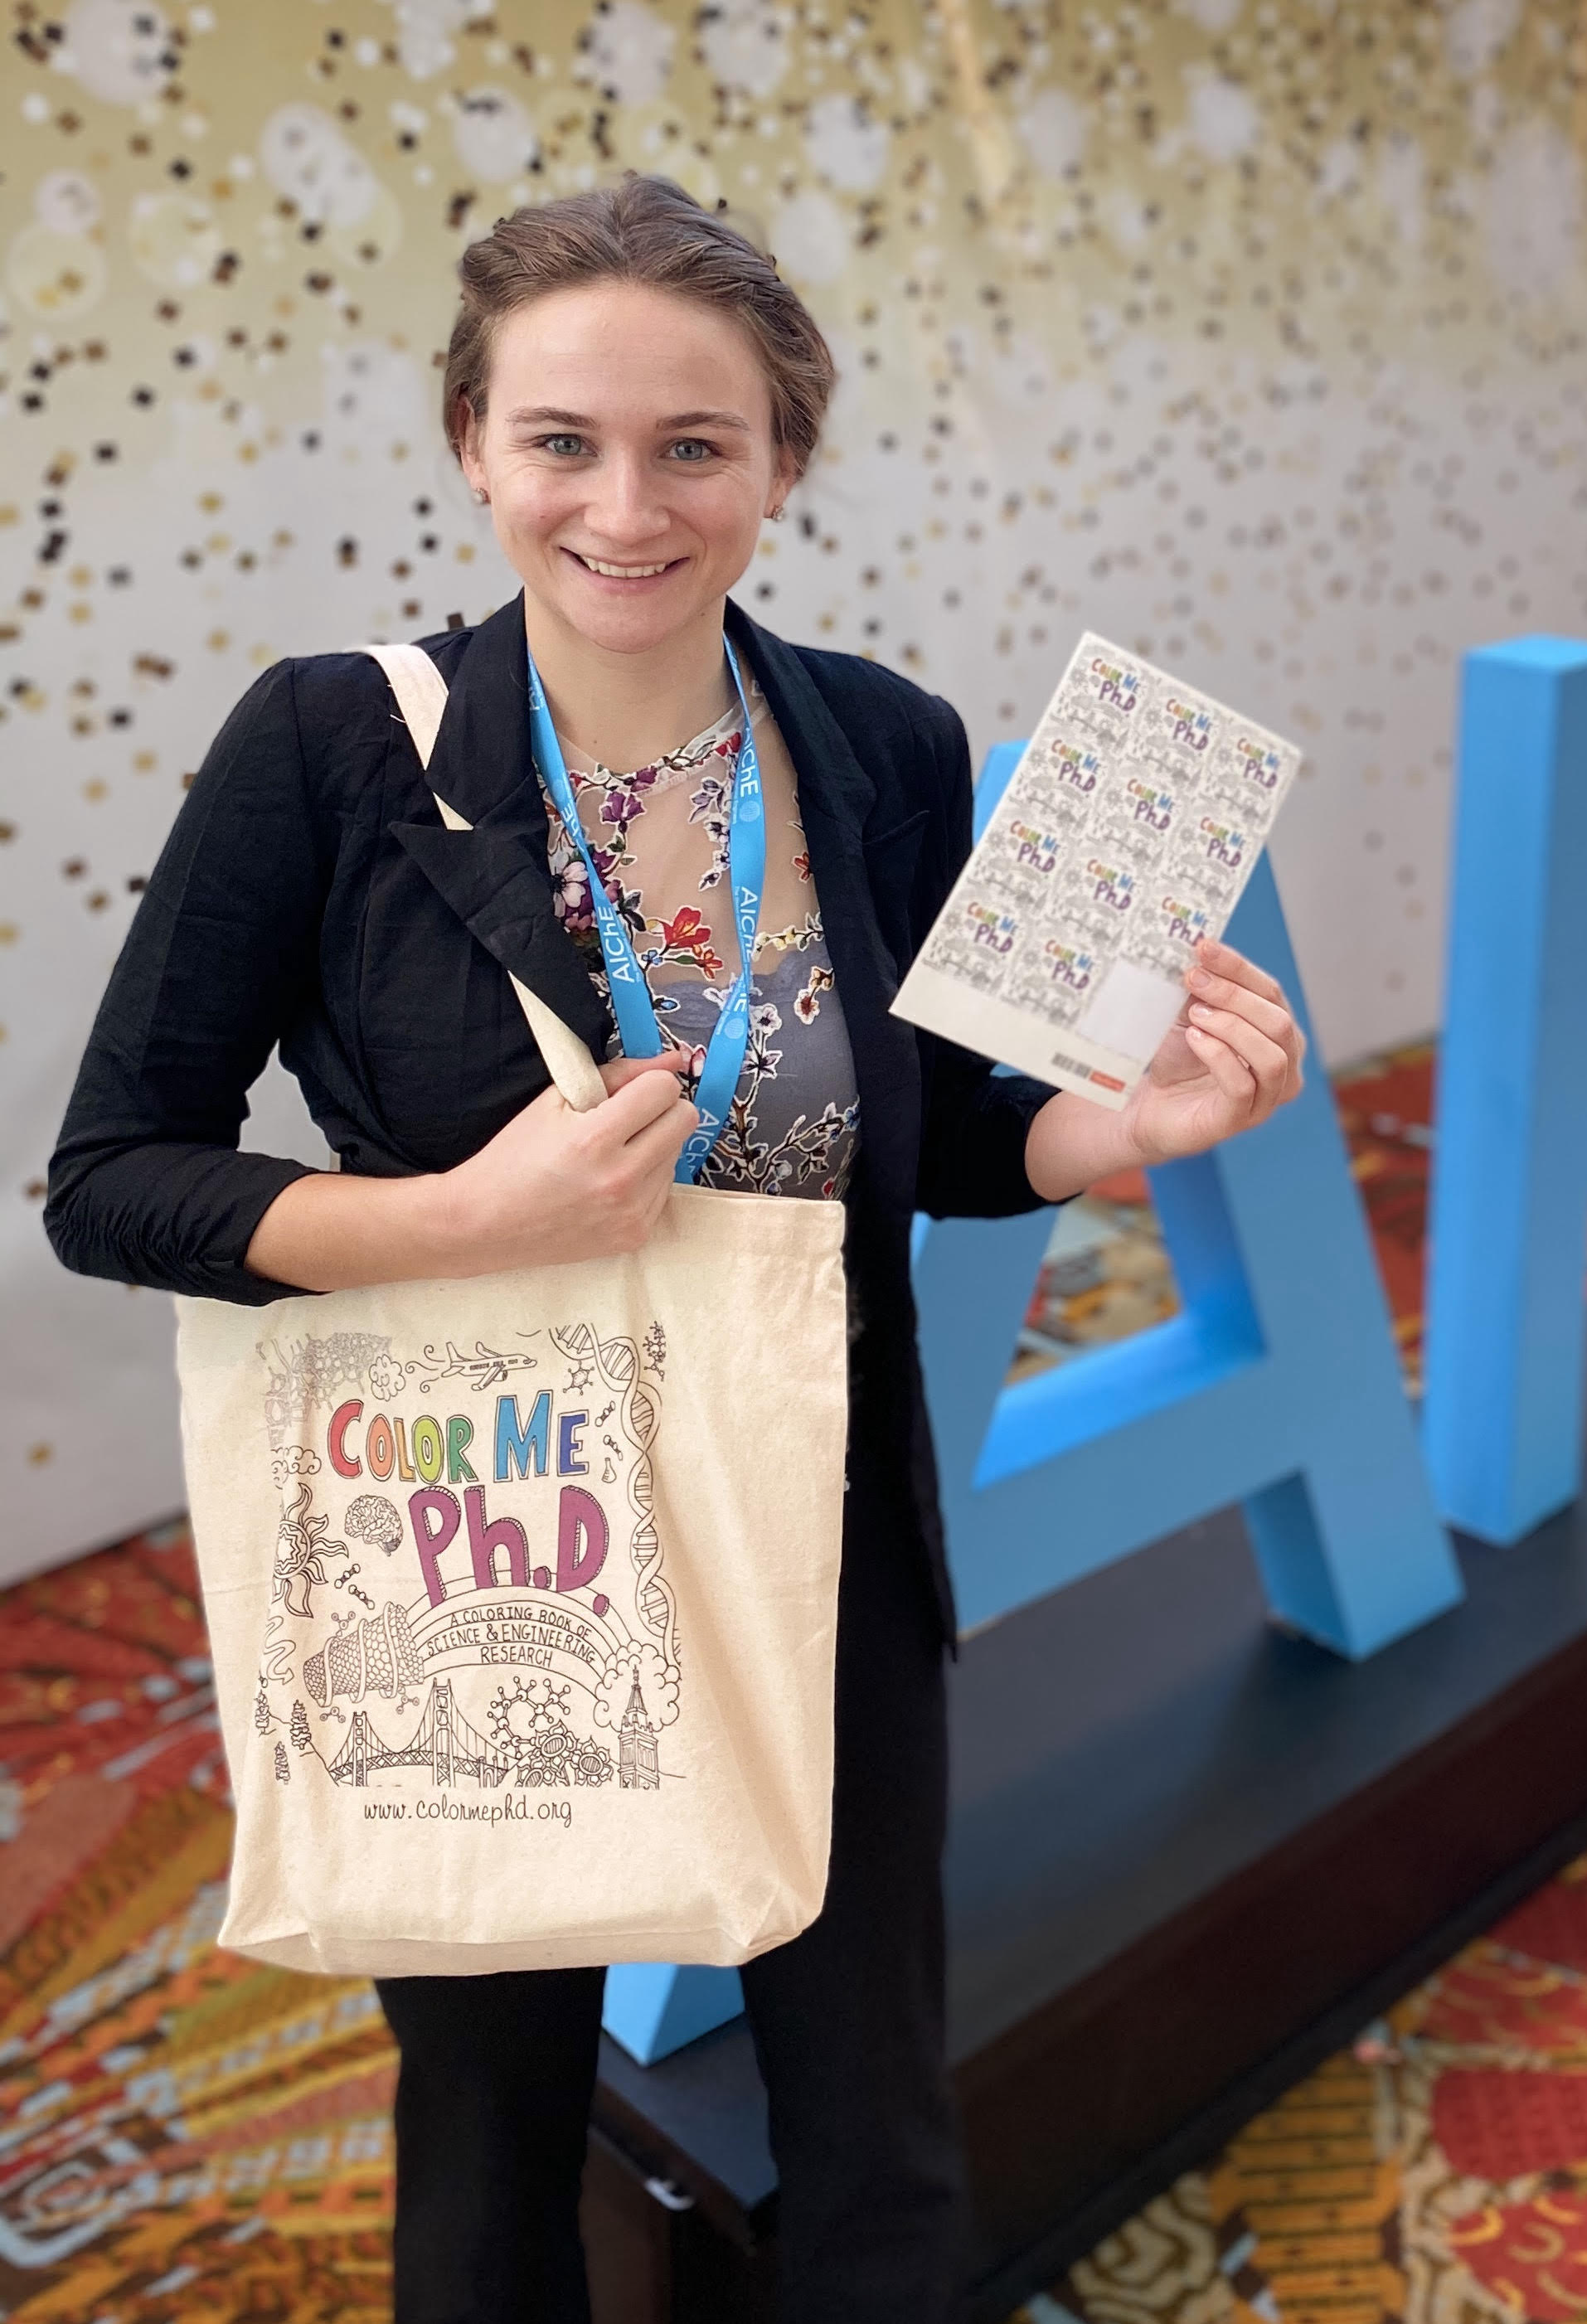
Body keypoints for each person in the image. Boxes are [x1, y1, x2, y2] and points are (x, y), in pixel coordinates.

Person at [43, 174, 1305, 2324]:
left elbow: (933, 1134)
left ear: (781, 462)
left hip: (814, 1513)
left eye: (694, 446)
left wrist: (1121, 1129)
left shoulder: (882, 746)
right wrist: (461, 1221)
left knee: (878, 2122)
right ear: (473, 443)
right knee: (492, 2137)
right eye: (563, 440)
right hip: (480, 1530)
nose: (625, 508)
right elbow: (111, 1178)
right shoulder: (331, 747)